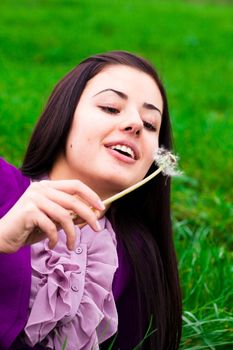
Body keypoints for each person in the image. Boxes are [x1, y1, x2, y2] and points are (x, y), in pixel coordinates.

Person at [0, 51, 182, 350]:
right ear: (64, 114)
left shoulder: (137, 258)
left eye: (150, 124)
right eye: (111, 107)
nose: (135, 123)